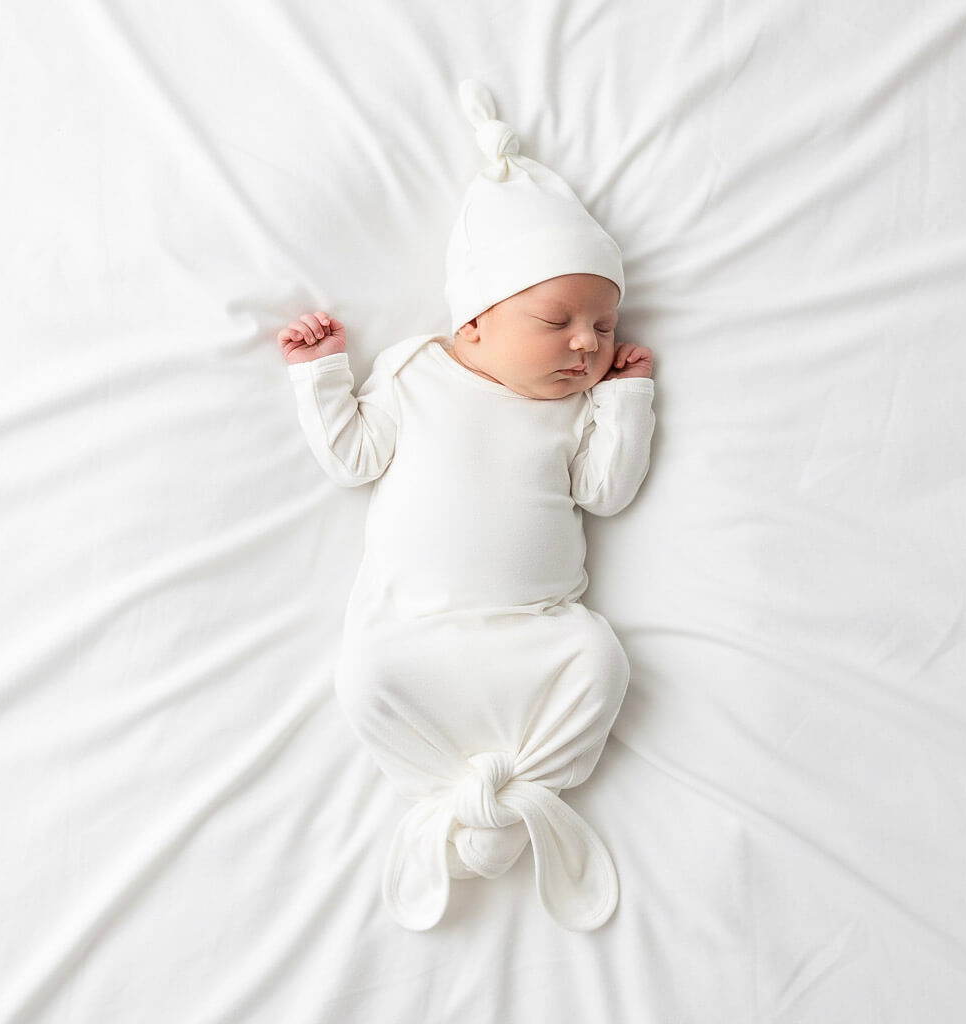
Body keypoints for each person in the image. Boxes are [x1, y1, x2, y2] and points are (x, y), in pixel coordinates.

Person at [277, 81, 655, 932]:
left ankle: (527, 789)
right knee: (361, 678)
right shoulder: (417, 372)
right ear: (475, 323)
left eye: (603, 326)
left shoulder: (574, 408)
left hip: (536, 629)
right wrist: (323, 373)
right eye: (557, 320)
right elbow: (352, 457)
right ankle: (451, 796)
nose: (587, 343)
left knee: (602, 660)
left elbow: (606, 491)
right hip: (412, 629)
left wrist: (626, 401)